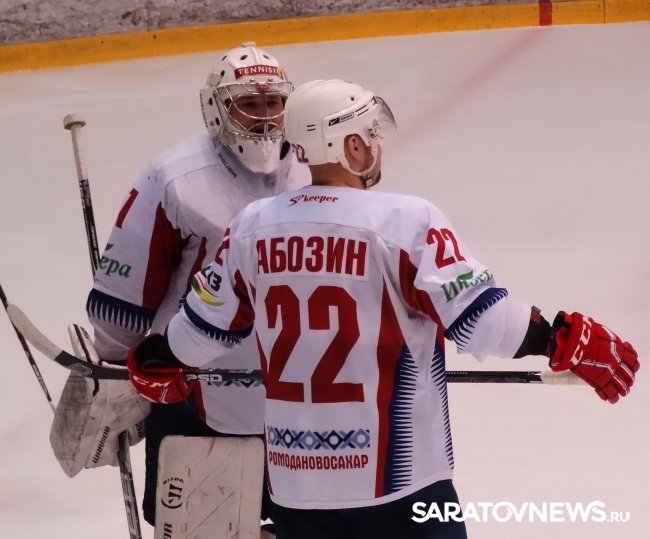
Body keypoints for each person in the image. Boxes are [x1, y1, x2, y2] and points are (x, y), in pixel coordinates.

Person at [125, 80, 639, 539]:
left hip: (296, 488)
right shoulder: (403, 222)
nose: (376, 144)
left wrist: (156, 358)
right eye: (369, 135)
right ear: (349, 146)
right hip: (402, 487)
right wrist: (560, 339)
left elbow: (196, 335)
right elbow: (482, 322)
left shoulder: (250, 228)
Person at [52, 43, 311, 528]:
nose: (263, 117)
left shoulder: (314, 165)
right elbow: (127, 287)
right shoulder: (176, 176)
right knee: (198, 530)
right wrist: (118, 369)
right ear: (217, 108)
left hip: (301, 396)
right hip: (191, 391)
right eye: (248, 104)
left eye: (273, 102)